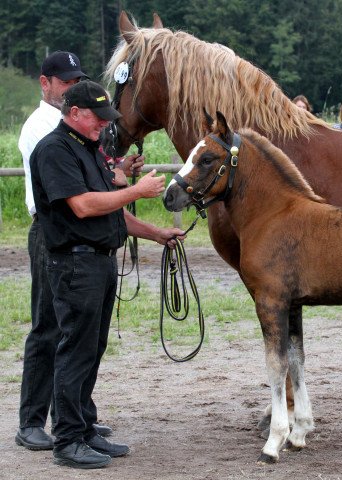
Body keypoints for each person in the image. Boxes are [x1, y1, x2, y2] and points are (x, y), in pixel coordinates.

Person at [29, 79, 185, 469]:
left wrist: (156, 233)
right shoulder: (54, 150)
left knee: (90, 349)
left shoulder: (89, 150)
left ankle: (81, 429)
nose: (103, 124)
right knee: (75, 350)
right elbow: (83, 206)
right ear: (75, 113)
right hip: (74, 264)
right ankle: (68, 440)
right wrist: (137, 190)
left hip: (96, 261)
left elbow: (111, 210)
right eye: (97, 118)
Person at [16, 51, 139, 453]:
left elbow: (100, 177)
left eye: (75, 81)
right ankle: (35, 420)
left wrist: (117, 171)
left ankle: (76, 419)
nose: (69, 86)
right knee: (52, 328)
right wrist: (125, 185)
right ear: (46, 83)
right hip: (56, 231)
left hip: (87, 234)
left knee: (81, 336)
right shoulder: (43, 131)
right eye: (65, 82)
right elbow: (78, 197)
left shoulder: (83, 135)